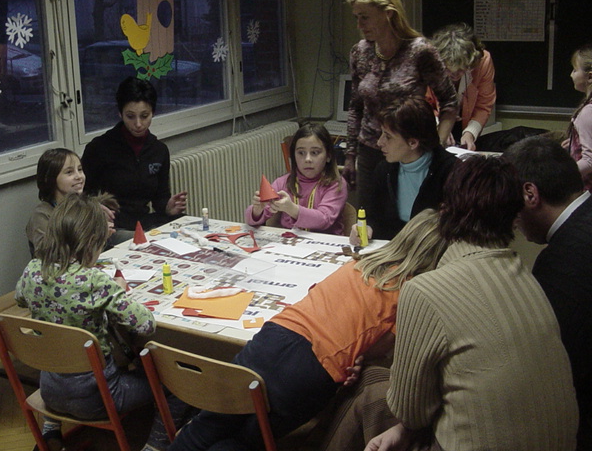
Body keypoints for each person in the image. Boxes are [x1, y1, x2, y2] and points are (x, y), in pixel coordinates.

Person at [169, 209, 449, 451]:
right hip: (311, 369)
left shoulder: (360, 264)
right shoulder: (410, 291)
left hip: (275, 335)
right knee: (249, 440)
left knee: (209, 426)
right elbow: (380, 349)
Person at [365, 155, 578, 451]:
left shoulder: (425, 290)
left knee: (370, 393)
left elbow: (410, 413)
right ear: (515, 218)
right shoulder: (528, 279)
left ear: (445, 210)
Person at [17, 193, 191, 451]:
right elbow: (146, 325)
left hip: (50, 390)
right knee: (179, 384)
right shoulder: (94, 282)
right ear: (91, 243)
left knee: (61, 348)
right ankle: (153, 446)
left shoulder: (33, 269)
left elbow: (21, 298)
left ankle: (51, 429)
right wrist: (118, 291)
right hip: (97, 397)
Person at [503, 135, 592, 450]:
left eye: (509, 202)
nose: (511, 218)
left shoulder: (562, 261)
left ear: (530, 194)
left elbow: (553, 361)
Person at [343, 0, 457, 211]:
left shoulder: (420, 51)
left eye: (365, 17)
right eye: (356, 17)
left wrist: (435, 147)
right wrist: (350, 155)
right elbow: (355, 107)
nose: (359, 25)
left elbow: (449, 103)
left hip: (409, 155)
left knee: (410, 218)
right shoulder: (360, 52)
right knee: (369, 221)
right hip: (370, 152)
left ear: (388, 13)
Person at [81, 76, 188, 232]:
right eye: (130, 116)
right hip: (112, 226)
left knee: (188, 227)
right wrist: (95, 208)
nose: (138, 124)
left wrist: (168, 207)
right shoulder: (99, 148)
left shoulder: (159, 150)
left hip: (144, 222)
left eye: (144, 116)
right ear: (120, 113)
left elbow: (160, 198)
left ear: (153, 113)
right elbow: (82, 196)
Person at [350, 96, 456, 243]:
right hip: (392, 248)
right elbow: (373, 216)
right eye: (382, 134)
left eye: (388, 137)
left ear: (413, 143)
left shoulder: (452, 172)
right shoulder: (384, 170)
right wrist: (366, 228)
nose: (379, 142)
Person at [245, 123, 348, 235]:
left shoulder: (336, 184)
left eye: (315, 153)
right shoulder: (282, 182)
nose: (307, 159)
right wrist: (257, 210)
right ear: (294, 156)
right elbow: (251, 220)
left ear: (328, 156)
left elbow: (324, 219)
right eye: (301, 153)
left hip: (326, 242)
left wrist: (291, 209)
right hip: (291, 242)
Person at [26, 148, 123, 256]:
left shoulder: (86, 206)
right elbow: (48, 255)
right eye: (69, 172)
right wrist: (95, 238)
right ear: (49, 178)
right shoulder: (42, 215)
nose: (78, 176)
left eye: (80, 169)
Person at [429, 22, 496, 151]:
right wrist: (440, 127)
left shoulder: (482, 62)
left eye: (461, 69)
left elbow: (484, 105)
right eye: (448, 70)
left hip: (465, 121)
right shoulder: (428, 62)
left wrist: (470, 133)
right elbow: (424, 102)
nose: (455, 75)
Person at [561, 43, 592, 189]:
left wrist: (562, 175)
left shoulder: (588, 112)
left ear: (590, 77)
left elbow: (589, 161)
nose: (571, 74)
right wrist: (575, 143)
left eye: (574, 70)